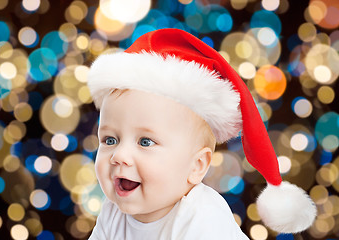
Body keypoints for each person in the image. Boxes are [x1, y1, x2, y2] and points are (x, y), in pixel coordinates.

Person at [87, 28, 316, 240]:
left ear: (196, 166)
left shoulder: (203, 217)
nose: (119, 155)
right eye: (110, 140)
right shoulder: (112, 213)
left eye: (145, 142)